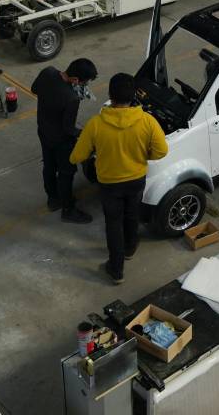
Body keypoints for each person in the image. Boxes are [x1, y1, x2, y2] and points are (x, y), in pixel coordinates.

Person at [70, 73, 168, 285]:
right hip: (136, 180)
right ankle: (130, 248)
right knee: (132, 214)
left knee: (113, 223)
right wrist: (142, 156)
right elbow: (162, 151)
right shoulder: (147, 121)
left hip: (109, 184)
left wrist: (95, 152)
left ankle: (116, 270)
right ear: (134, 96)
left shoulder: (96, 124)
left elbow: (77, 156)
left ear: (110, 95)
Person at [33, 58, 98, 223]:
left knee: (48, 166)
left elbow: (34, 89)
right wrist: (86, 134)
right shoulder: (71, 98)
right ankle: (68, 210)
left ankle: (53, 200)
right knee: (66, 173)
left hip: (44, 131)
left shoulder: (48, 72)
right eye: (84, 83)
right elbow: (68, 129)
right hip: (61, 141)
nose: (83, 86)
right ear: (76, 80)